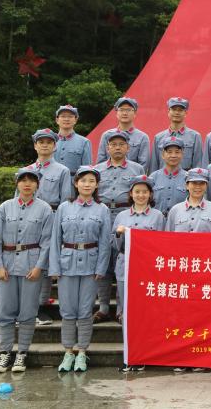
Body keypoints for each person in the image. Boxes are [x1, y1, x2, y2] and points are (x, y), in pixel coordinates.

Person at [0, 168, 53, 373]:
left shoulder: (44, 209)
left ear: (37, 185)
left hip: (31, 266)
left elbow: (47, 241)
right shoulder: (5, 207)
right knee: (5, 311)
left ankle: (22, 354)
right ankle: (5, 353)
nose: (27, 184)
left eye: (31, 181)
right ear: (17, 184)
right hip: (7, 265)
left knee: (27, 312)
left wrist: (39, 267)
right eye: (23, 180)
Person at [50, 165, 111, 373]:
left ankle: (82, 352)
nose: (87, 184)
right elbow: (55, 239)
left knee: (85, 311)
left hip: (90, 266)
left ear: (97, 185)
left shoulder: (102, 210)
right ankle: (68, 352)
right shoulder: (64, 208)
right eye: (83, 180)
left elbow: (105, 242)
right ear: (76, 183)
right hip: (66, 264)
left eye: (91, 181)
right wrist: (54, 267)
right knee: (67, 311)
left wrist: (101, 267)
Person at [112, 174, 164, 372]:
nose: (141, 195)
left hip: (148, 268)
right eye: (137, 192)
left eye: (145, 192)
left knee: (146, 311)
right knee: (127, 311)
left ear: (150, 194)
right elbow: (115, 245)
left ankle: (144, 353)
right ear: (131, 194)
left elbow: (162, 243)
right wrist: (119, 234)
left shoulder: (158, 216)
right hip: (125, 266)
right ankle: (129, 354)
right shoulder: (121, 216)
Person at [94, 130, 146, 322]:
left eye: (121, 144)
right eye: (113, 144)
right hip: (103, 214)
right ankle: (103, 306)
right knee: (104, 260)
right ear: (107, 148)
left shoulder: (137, 169)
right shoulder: (97, 170)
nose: (117, 147)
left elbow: (142, 192)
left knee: (125, 259)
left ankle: (122, 309)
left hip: (127, 216)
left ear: (128, 148)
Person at [26, 128, 70, 324]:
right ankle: (28, 306)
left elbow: (65, 201)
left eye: (49, 142)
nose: (44, 145)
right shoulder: (26, 171)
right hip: (29, 220)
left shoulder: (62, 171)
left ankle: (41, 305)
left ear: (55, 146)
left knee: (46, 261)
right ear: (35, 146)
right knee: (30, 260)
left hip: (52, 218)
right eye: (41, 142)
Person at [149, 97, 204, 172]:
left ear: (185, 113)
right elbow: (153, 166)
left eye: (180, 110)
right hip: (162, 178)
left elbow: (198, 165)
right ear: (168, 111)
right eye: (174, 109)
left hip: (186, 178)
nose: (177, 113)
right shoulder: (158, 137)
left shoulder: (195, 136)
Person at [165, 168, 211, 233]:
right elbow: (168, 236)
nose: (198, 187)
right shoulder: (175, 210)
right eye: (194, 183)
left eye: (202, 183)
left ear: (206, 186)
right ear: (187, 186)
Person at [96, 97, 150, 167]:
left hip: (133, 173)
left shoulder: (142, 137)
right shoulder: (107, 135)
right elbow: (100, 163)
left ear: (135, 113)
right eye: (121, 110)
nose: (124, 113)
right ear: (116, 113)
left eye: (128, 110)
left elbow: (143, 165)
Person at [147, 136, 187, 215]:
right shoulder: (153, 177)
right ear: (163, 154)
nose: (173, 155)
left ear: (182, 154)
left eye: (177, 152)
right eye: (169, 152)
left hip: (179, 220)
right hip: (157, 221)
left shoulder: (188, 178)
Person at [54, 105, 92, 174]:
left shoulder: (84, 142)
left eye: (70, 116)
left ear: (75, 120)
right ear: (57, 120)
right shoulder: (50, 141)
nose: (66, 119)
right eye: (63, 116)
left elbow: (87, 171)